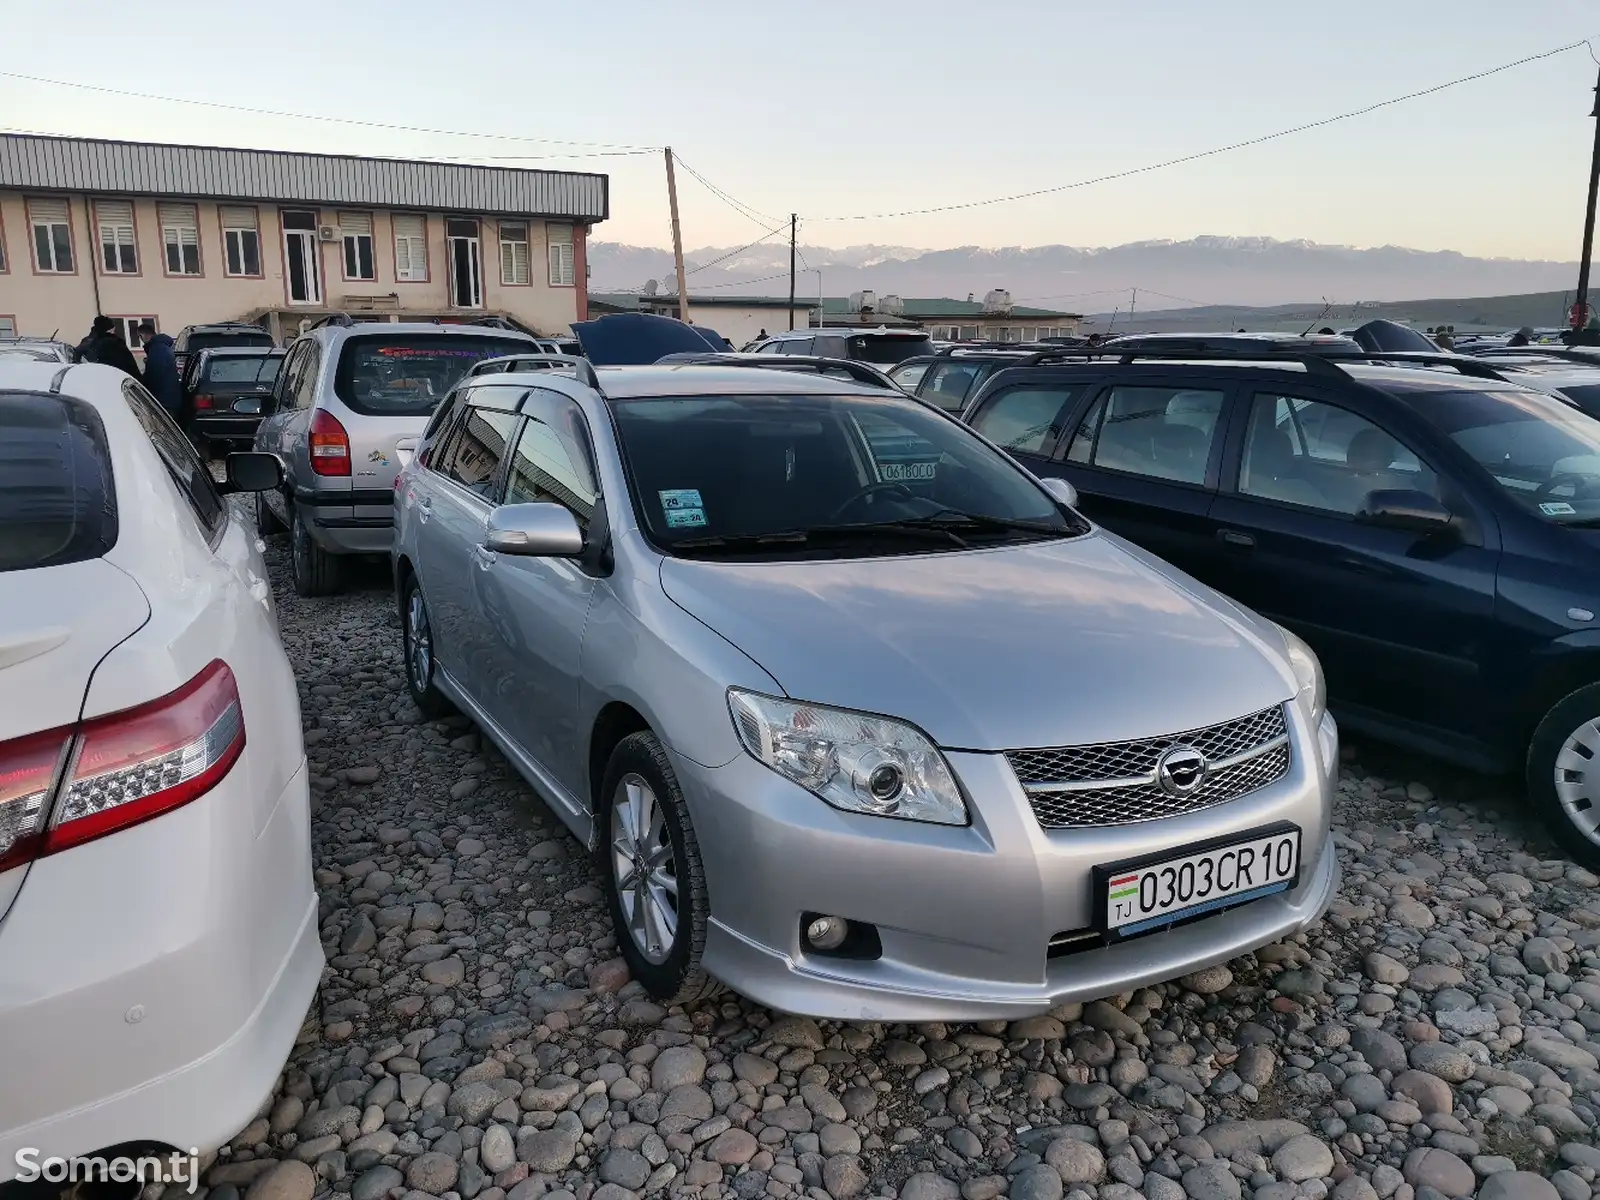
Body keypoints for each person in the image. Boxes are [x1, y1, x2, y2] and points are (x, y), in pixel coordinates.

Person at [137, 320, 182, 416]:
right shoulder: (163, 347)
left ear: (142, 335)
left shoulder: (156, 350)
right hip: (170, 397)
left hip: (163, 401)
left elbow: (154, 375)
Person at [75, 315, 141, 376]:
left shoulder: (89, 342)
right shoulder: (116, 343)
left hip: (98, 378)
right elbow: (129, 365)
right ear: (110, 329)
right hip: (118, 378)